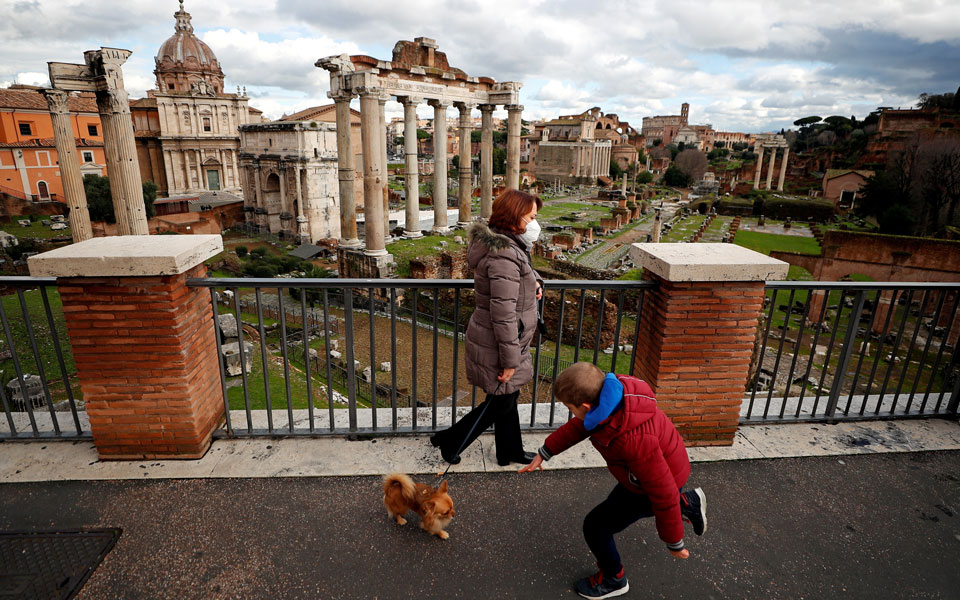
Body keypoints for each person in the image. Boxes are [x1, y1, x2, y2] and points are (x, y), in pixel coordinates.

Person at [519, 362, 707, 599]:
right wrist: (545, 452)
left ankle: (614, 579)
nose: (571, 413)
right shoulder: (612, 399)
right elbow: (581, 426)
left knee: (596, 527)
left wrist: (674, 542)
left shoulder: (633, 440)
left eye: (570, 407)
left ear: (587, 406)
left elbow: (663, 491)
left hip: (650, 484)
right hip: (649, 473)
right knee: (618, 510)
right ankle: (688, 502)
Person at [430, 189, 543, 467]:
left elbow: (523, 271)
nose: (535, 223)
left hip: (502, 339)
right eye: (531, 217)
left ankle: (508, 451)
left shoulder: (508, 246)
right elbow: (503, 314)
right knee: (500, 401)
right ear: (515, 219)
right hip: (500, 342)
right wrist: (510, 361)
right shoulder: (504, 253)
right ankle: (451, 442)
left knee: (507, 397)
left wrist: (536, 282)